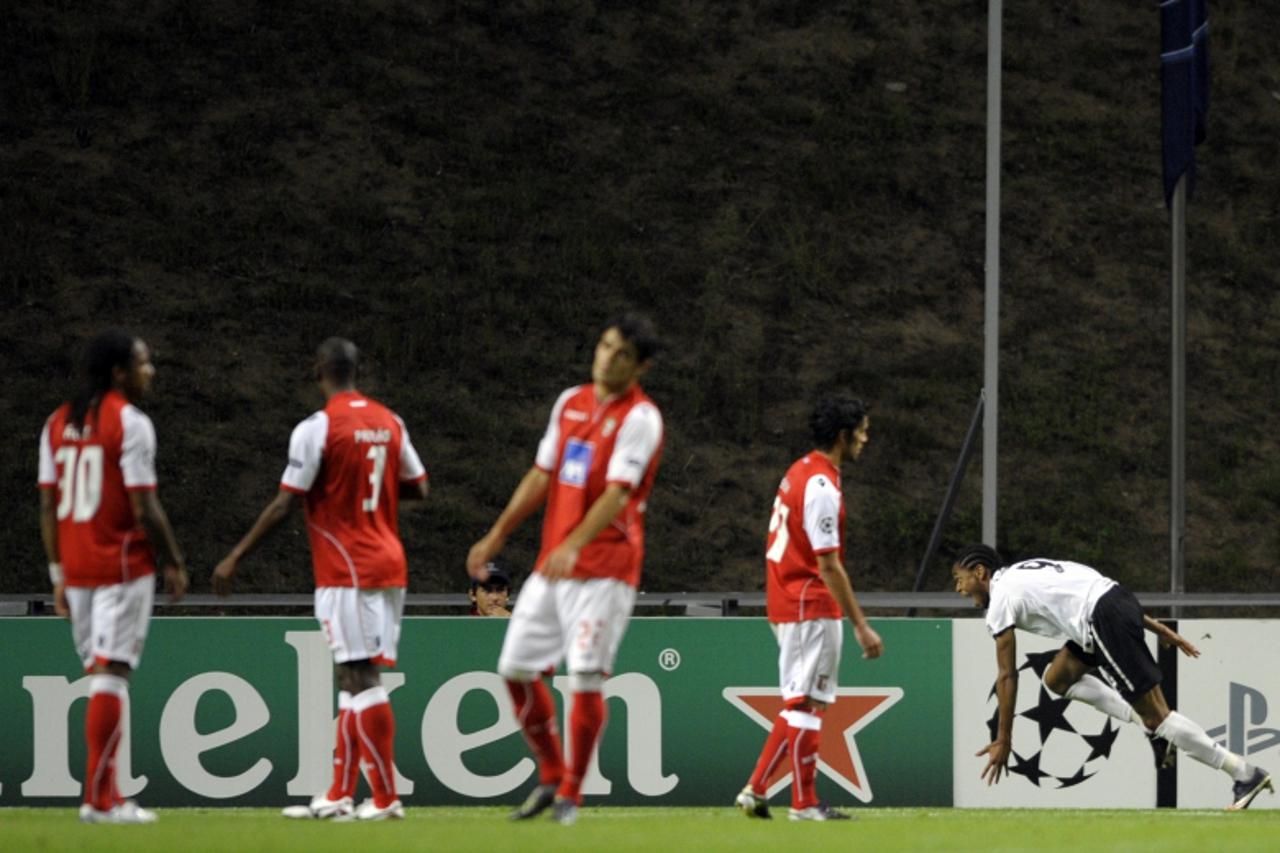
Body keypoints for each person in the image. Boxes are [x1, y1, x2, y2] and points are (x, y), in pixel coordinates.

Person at [212, 338, 428, 821]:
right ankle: (337, 794)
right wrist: (368, 498)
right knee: (350, 679)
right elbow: (419, 486)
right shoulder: (389, 420)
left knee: (361, 675)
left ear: (318, 372)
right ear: (358, 370)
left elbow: (285, 502)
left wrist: (236, 557)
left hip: (347, 566)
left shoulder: (318, 428)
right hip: (389, 561)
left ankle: (388, 798)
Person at [466, 312, 664, 826]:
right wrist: (498, 533)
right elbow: (542, 474)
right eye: (604, 346)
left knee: (584, 679)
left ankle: (572, 793)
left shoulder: (641, 418)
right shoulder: (570, 403)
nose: (607, 358)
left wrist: (575, 544)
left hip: (604, 570)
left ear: (640, 366)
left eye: (621, 353)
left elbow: (618, 493)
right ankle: (552, 774)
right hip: (554, 566)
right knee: (513, 669)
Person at [952, 543, 1273, 811]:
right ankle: (1148, 724)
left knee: (1157, 717)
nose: (958, 588)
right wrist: (1156, 626)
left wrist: (1003, 739)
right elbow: (1096, 589)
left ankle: (1243, 773)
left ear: (980, 572)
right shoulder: (1024, 571)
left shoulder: (1000, 599)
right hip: (1114, 604)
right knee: (1056, 680)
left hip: (1101, 620)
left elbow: (1007, 675)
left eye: (960, 579)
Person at [37, 330, 190, 824]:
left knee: (102, 675)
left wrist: (57, 572)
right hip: (121, 565)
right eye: (144, 363)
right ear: (120, 372)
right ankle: (99, 799)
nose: (152, 371)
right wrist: (174, 560)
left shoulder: (58, 422)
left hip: (76, 566)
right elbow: (144, 503)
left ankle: (105, 795)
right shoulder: (131, 422)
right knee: (112, 674)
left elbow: (47, 503)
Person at [735, 395, 885, 822]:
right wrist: (860, 624)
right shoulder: (820, 486)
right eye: (861, 430)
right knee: (804, 703)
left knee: (805, 702)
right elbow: (828, 563)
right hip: (808, 603)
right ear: (843, 435)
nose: (865, 438)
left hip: (790, 599)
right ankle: (803, 804)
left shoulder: (799, 471)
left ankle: (758, 789)